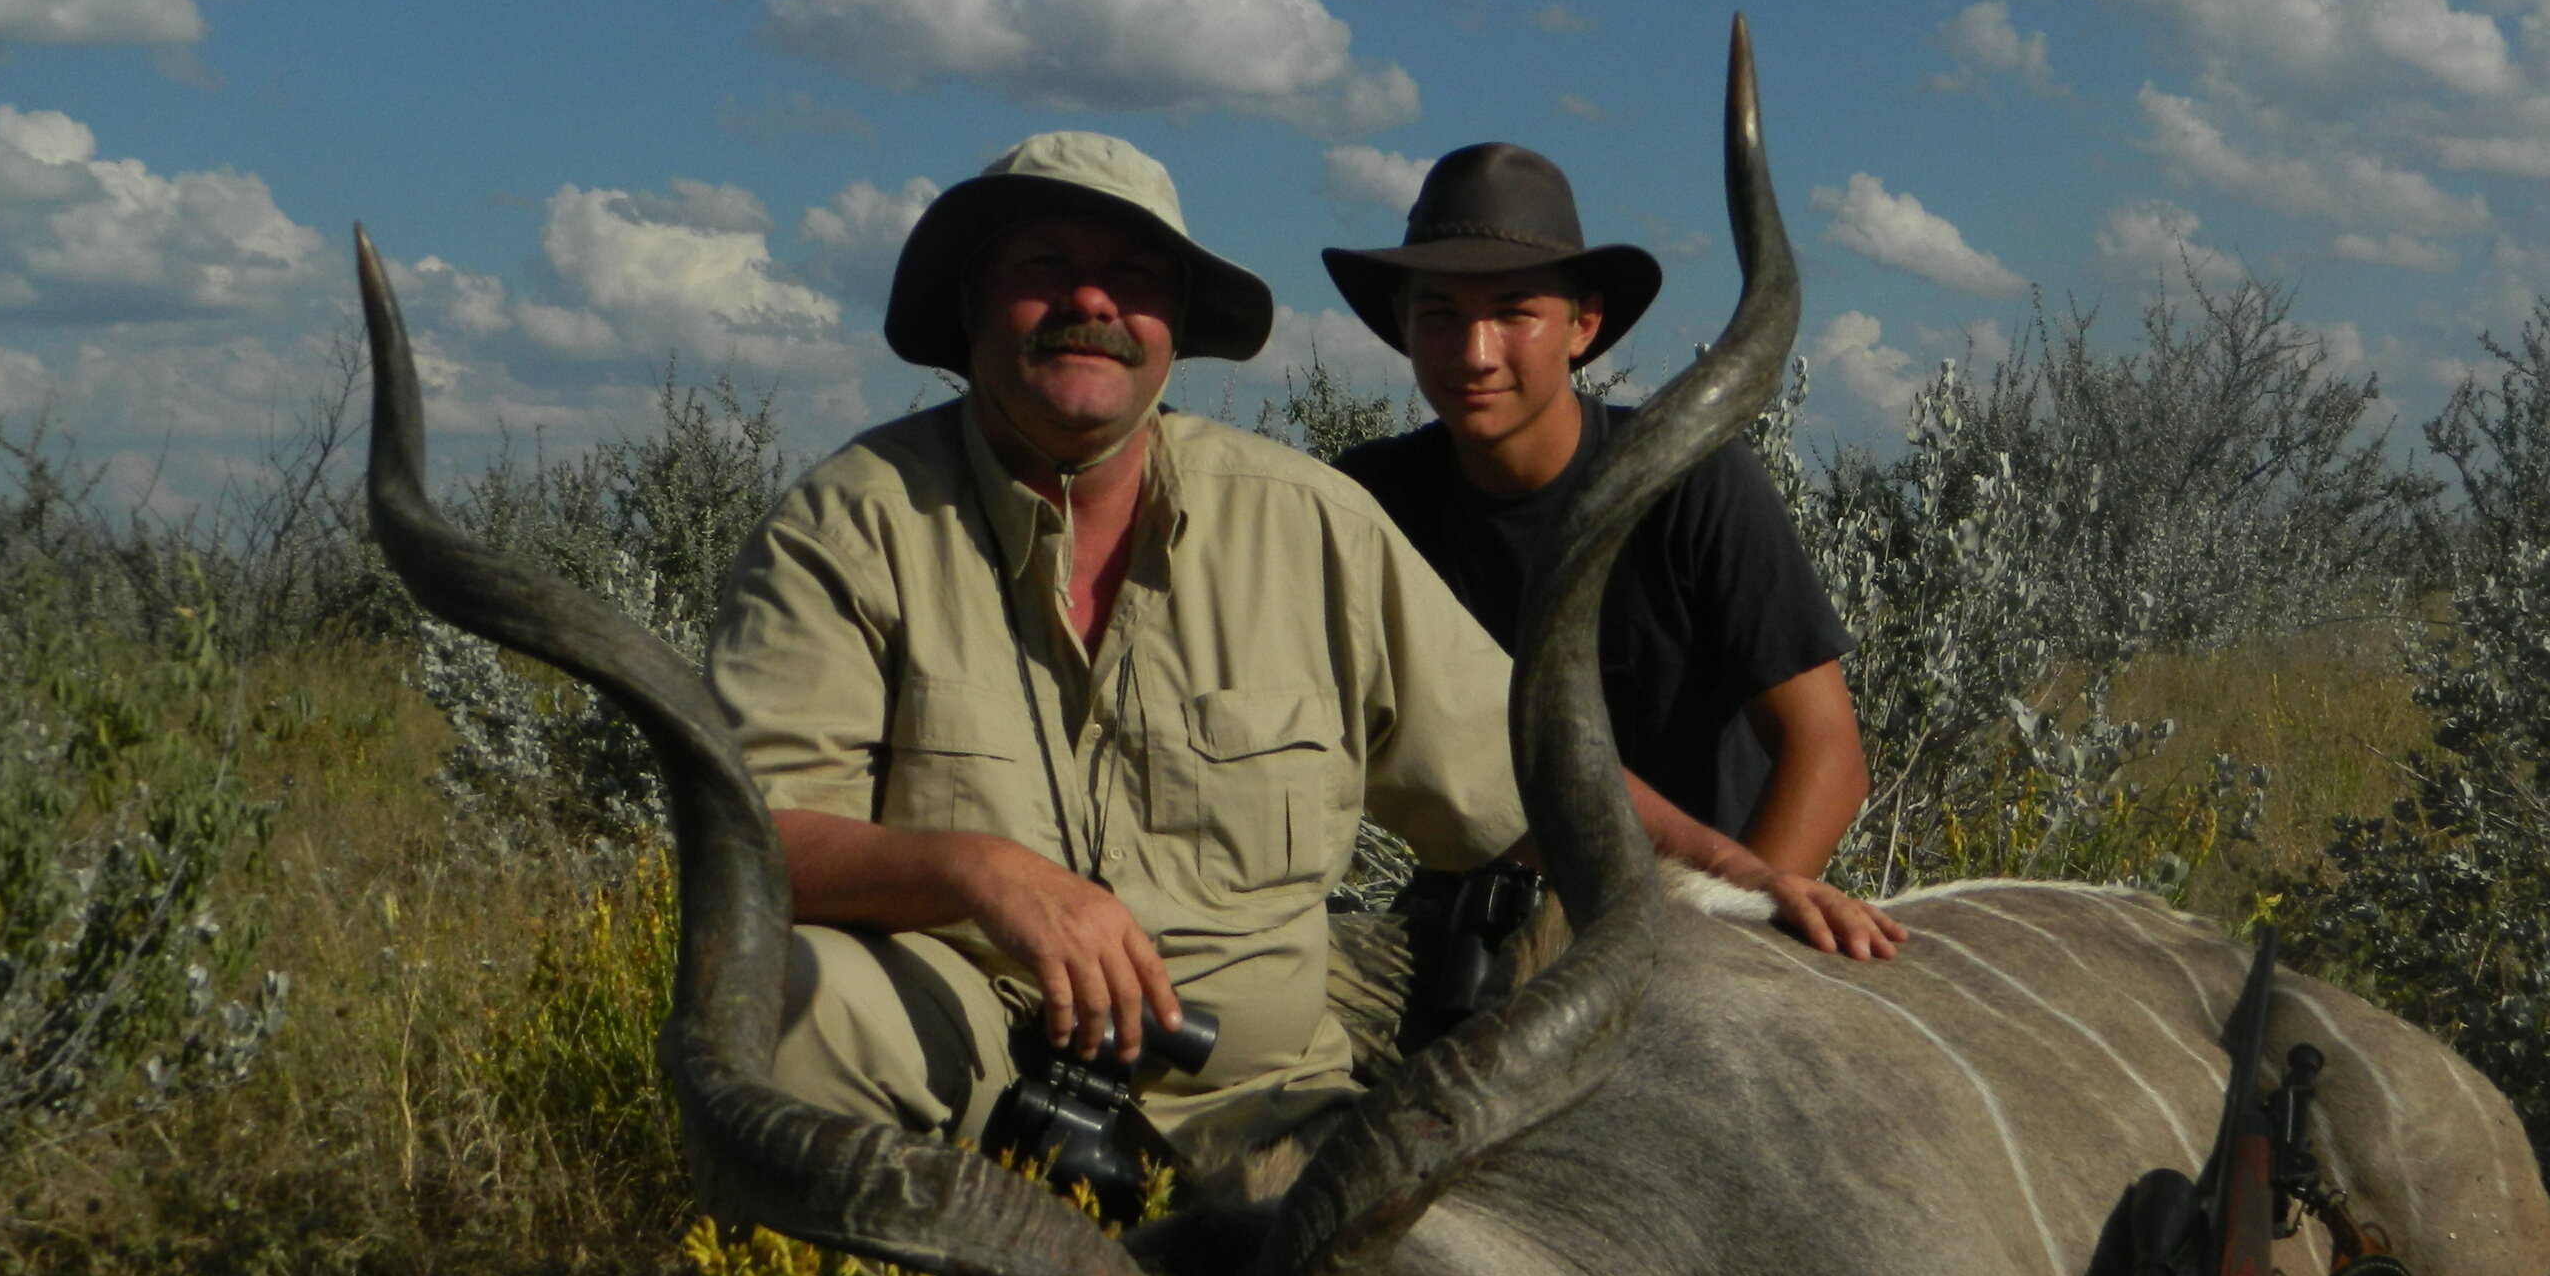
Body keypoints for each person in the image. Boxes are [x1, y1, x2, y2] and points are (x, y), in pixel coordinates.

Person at [708, 131, 1536, 1164]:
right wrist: (986, 877)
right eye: (1044, 266)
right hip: (969, 1078)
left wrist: (1740, 881)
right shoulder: (848, 524)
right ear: (970, 307)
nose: (1091, 301)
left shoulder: (1312, 524)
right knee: (790, 1004)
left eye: (1134, 276)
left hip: (1257, 1102)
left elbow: (1530, 793)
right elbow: (750, 839)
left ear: (1176, 328)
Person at [1325, 143, 1900, 974]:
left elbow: (1828, 753)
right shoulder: (1366, 502)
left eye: (1514, 312)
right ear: (1404, 325)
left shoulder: (1692, 480)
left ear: (1582, 324)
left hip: (1695, 926)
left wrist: (1733, 942)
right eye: (1440, 313)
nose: (1474, 351)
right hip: (1468, 939)